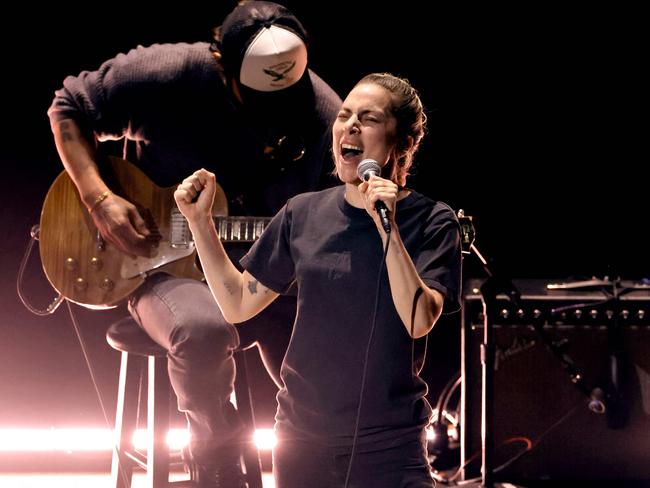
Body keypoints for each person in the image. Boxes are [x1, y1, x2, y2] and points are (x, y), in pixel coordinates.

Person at [47, 1, 342, 486]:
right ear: (222, 68)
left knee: (333, 347)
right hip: (161, 267)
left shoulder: (323, 113)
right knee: (203, 331)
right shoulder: (172, 75)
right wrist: (99, 200)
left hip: (263, 277)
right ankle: (216, 453)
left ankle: (321, 460)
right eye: (257, 100)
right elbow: (68, 106)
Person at [175, 72, 462, 488]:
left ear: (401, 142)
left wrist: (387, 229)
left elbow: (420, 319)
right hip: (301, 439)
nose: (350, 125)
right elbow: (237, 303)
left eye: (369, 118)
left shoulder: (433, 221)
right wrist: (199, 223)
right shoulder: (302, 213)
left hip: (389, 446)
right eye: (345, 115)